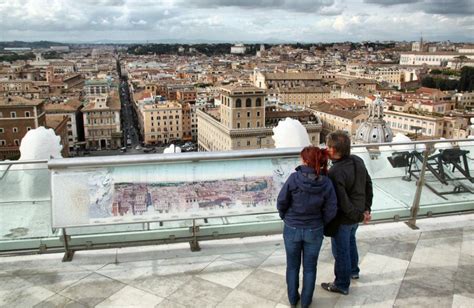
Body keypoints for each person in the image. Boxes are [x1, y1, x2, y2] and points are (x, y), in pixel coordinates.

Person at [277, 146, 338, 307]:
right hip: (314, 229)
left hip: (292, 227)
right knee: (310, 268)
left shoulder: (294, 178)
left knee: (292, 266)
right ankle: (306, 302)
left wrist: (286, 217)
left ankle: (292, 299)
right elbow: (332, 208)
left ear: (305, 160)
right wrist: (321, 221)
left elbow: (281, 201)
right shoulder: (326, 182)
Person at [321, 130, 373, 295]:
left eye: (328, 147)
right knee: (351, 241)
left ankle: (342, 284)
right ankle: (353, 270)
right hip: (357, 213)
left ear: (335, 150)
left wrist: (359, 215)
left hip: (345, 218)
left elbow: (342, 202)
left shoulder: (335, 173)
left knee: (341, 251)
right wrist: (366, 209)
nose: (326, 149)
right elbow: (368, 186)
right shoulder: (358, 160)